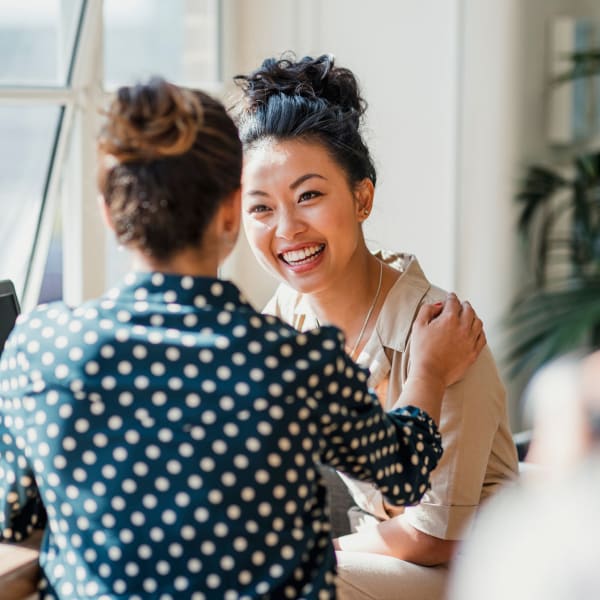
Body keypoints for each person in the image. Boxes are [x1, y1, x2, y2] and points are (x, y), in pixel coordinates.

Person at [0, 78, 485, 599]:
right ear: (234, 212)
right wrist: (430, 371)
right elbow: (405, 474)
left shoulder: (38, 347)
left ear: (108, 214)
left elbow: (14, 514)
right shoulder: (298, 361)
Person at [235, 54, 519, 599]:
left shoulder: (442, 333)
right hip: (381, 556)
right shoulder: (287, 318)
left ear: (362, 197)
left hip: (473, 574)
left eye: (309, 195)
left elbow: (433, 536)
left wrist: (311, 550)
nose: (287, 229)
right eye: (261, 208)